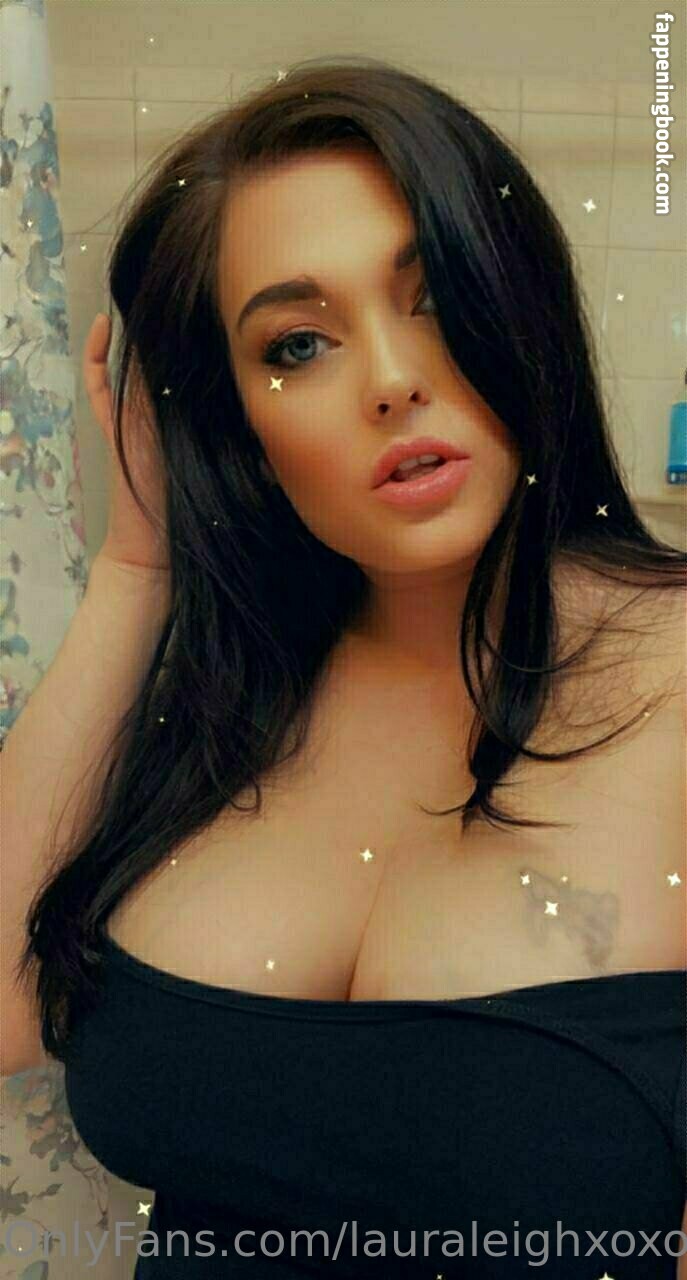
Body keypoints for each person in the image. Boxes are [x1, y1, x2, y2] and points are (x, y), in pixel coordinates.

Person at [2, 56, 685, 1278]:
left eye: (436, 298)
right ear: (234, 421)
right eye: (300, 344)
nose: (392, 379)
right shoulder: (228, 693)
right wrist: (135, 566)